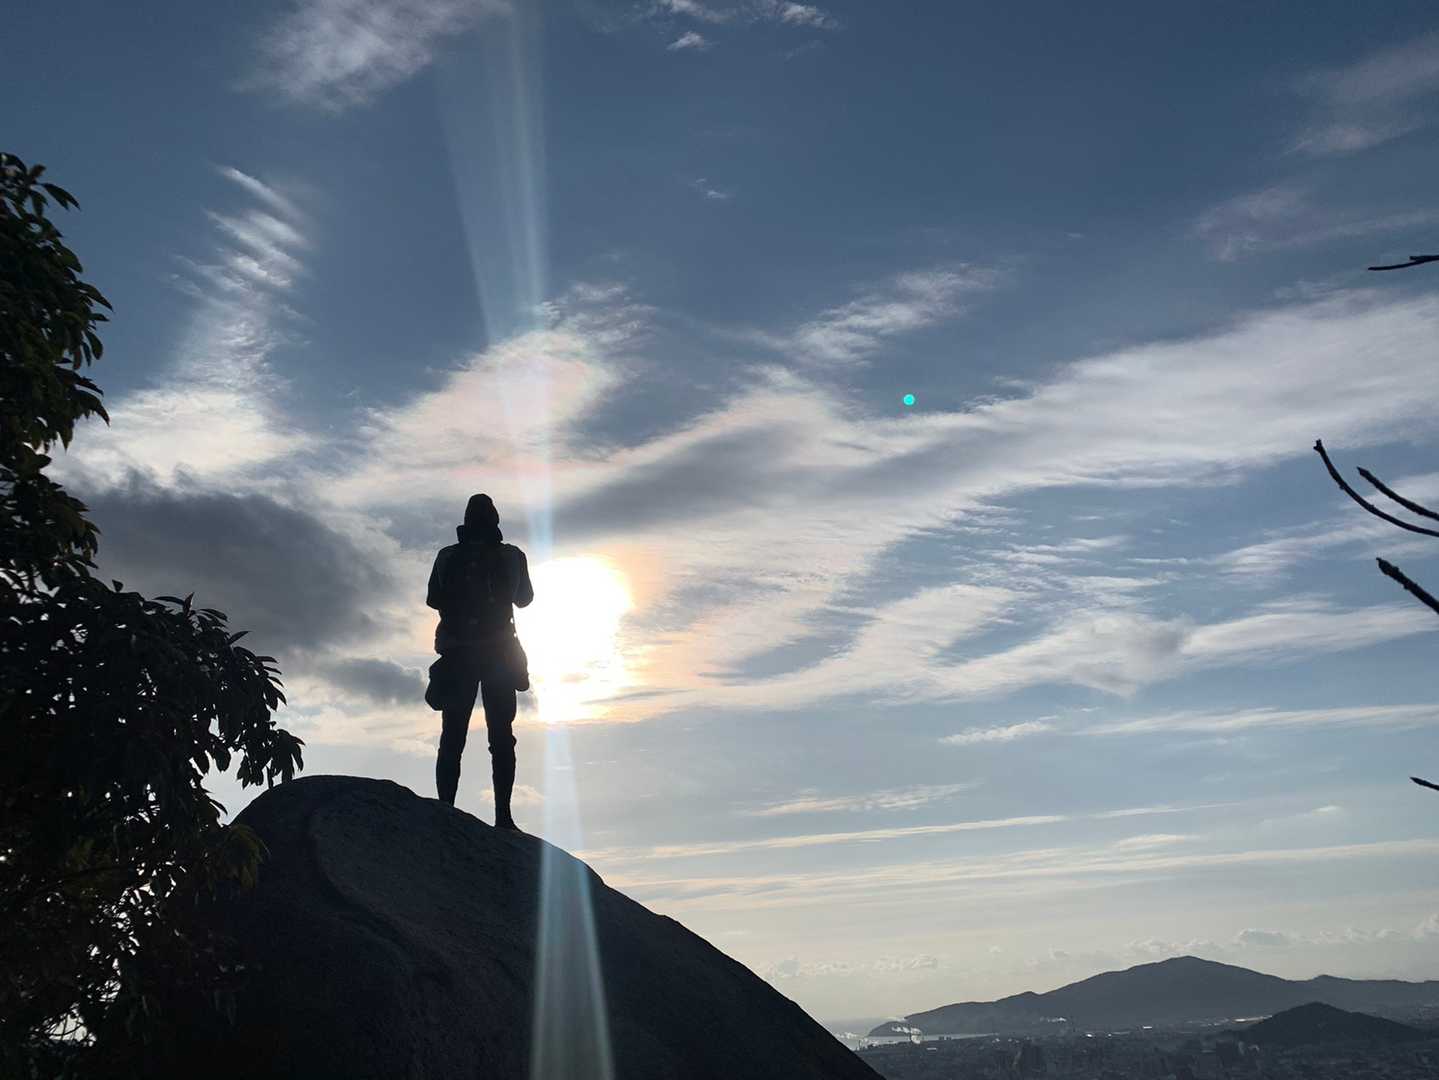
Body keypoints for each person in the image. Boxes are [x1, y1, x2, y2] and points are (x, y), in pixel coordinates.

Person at [426, 493, 534, 827]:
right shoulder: (512, 556)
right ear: (495, 521)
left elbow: (433, 599)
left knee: (452, 736)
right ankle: (504, 816)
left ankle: (446, 808)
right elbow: (525, 599)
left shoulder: (447, 556)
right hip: (498, 654)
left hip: (459, 654)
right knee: (501, 737)